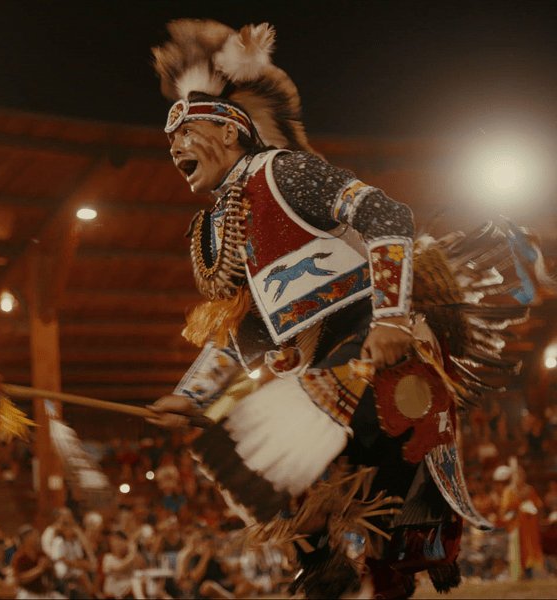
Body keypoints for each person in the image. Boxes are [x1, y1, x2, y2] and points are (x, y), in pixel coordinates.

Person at [145, 19, 542, 599]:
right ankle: (323, 564)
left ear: (230, 133)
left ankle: (387, 541)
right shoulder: (218, 225)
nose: (174, 146)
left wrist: (390, 317)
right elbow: (244, 327)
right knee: (243, 453)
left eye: (186, 131)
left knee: (276, 437)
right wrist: (192, 396)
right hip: (315, 362)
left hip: (368, 341)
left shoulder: (284, 171)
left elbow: (387, 216)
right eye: (170, 139)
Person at [500, 466, 545, 580]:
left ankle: (530, 570)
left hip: (529, 526)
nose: (519, 478)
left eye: (521, 475)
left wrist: (533, 508)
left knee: (530, 549)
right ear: (512, 478)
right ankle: (517, 572)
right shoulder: (509, 491)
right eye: (517, 476)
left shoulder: (529, 489)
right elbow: (504, 510)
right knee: (517, 550)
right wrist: (517, 509)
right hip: (516, 525)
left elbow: (538, 504)